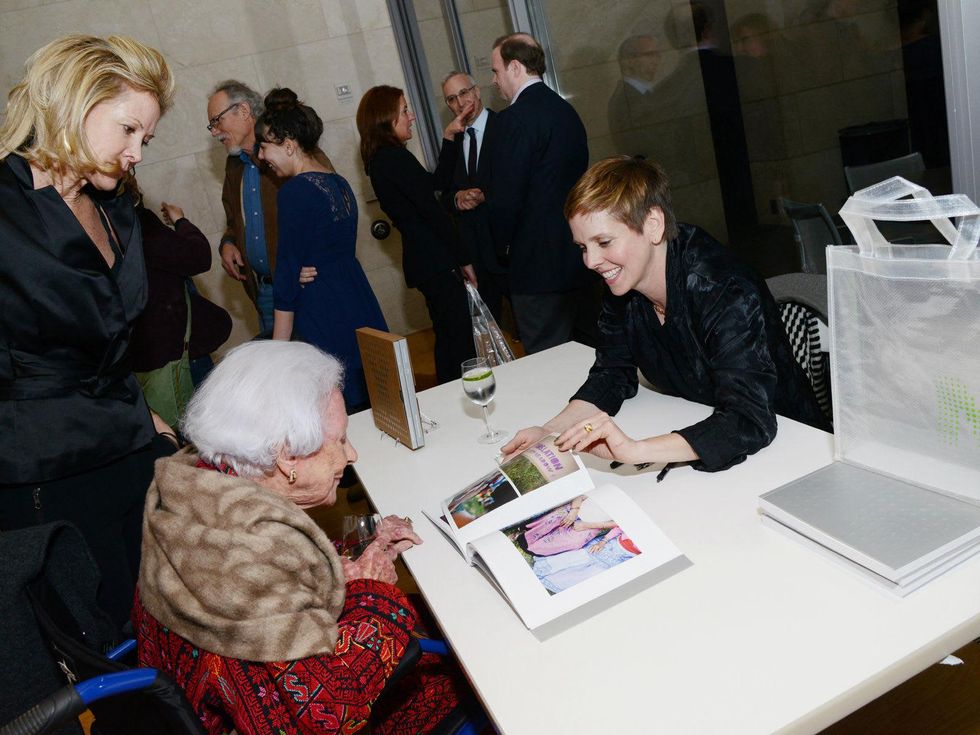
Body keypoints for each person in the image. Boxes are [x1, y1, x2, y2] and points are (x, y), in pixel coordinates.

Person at [133, 341, 466, 734]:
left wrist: (357, 554)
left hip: (187, 703)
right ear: (287, 457)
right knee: (465, 668)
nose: (352, 454)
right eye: (340, 440)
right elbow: (332, 710)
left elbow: (286, 575)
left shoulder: (196, 486)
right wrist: (376, 589)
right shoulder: (246, 567)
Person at [0, 34, 176, 628]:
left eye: (144, 139)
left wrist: (147, 419)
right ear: (74, 103)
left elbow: (110, 341)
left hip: (129, 448)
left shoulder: (114, 205)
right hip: (51, 473)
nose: (137, 154)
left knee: (161, 628)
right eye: (128, 130)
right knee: (101, 648)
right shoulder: (5, 207)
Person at [503, 156, 830, 473]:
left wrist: (635, 450)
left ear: (653, 225)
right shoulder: (622, 284)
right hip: (705, 429)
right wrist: (548, 434)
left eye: (603, 241)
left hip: (796, 448)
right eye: (583, 247)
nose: (591, 262)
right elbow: (612, 374)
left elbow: (748, 418)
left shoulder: (722, 288)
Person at [255, 88, 387, 411]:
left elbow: (285, 282)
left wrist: (277, 358)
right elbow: (327, 249)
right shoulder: (338, 182)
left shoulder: (294, 191)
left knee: (338, 414)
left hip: (324, 311)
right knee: (378, 407)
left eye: (264, 146)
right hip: (359, 302)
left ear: (288, 145)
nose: (260, 156)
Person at [486, 33, 599, 354]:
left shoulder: (513, 120)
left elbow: (506, 198)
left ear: (516, 67)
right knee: (590, 355)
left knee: (547, 364)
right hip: (578, 259)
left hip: (536, 267)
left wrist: (501, 248)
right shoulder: (567, 113)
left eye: (496, 71)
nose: (494, 81)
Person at [357, 85, 476, 383]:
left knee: (450, 337)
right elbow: (434, 213)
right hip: (435, 261)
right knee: (457, 342)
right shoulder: (392, 159)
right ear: (386, 119)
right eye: (404, 111)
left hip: (426, 262)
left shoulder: (385, 159)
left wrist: (450, 137)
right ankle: (457, 399)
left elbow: (434, 184)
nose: (411, 117)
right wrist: (464, 258)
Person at [207, 80, 331, 337]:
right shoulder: (234, 165)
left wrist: (311, 262)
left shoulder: (290, 151)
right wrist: (229, 242)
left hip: (305, 285)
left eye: (217, 120)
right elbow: (233, 217)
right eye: (212, 125)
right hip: (264, 292)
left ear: (243, 110)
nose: (214, 131)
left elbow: (328, 207)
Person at [128, 176, 232, 426]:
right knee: (211, 426)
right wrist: (181, 221)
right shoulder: (138, 223)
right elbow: (197, 256)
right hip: (178, 355)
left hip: (144, 355)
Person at [432, 71, 508, 322]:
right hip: (474, 253)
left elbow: (517, 181)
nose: (460, 103)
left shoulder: (505, 128)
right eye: (451, 99)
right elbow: (441, 193)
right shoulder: (454, 139)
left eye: (463, 93)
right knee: (491, 330)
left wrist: (487, 195)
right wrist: (457, 199)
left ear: (476, 91)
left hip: (508, 246)